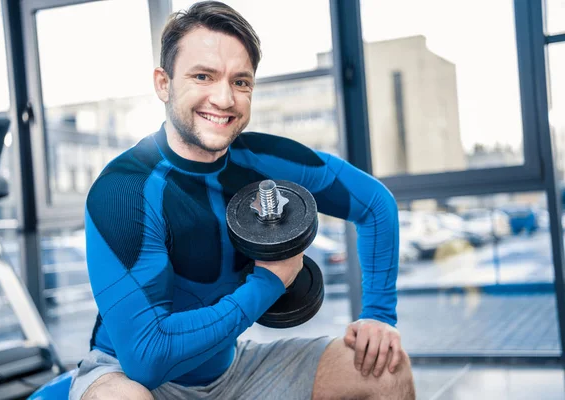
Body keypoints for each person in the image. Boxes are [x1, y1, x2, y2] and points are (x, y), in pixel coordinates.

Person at [69, 1, 415, 399]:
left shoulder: (263, 161)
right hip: (130, 375)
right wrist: (270, 281)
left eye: (241, 82)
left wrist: (378, 315)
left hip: (234, 369)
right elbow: (147, 357)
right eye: (203, 76)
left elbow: (375, 203)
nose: (224, 99)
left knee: (385, 370)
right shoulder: (125, 189)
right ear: (163, 84)